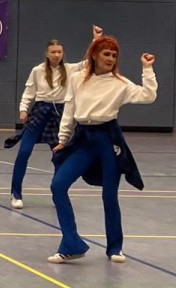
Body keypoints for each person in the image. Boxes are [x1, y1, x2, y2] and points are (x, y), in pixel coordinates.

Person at [48, 34, 157, 265]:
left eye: (114, 55)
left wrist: (147, 69)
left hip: (108, 139)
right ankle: (71, 244)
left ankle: (115, 247)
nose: (110, 58)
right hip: (83, 139)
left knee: (109, 195)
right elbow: (70, 109)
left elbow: (148, 96)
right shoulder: (77, 78)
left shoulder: (120, 83)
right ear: (95, 55)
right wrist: (63, 138)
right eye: (106, 54)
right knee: (58, 185)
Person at [4, 28, 98, 209]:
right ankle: (15, 194)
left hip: (59, 114)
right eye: (53, 52)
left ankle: (58, 193)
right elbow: (29, 91)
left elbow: (89, 62)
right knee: (24, 152)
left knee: (59, 154)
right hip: (40, 112)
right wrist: (23, 109)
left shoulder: (70, 69)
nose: (56, 55)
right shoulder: (37, 70)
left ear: (63, 53)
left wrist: (96, 40)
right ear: (47, 53)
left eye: (59, 52)